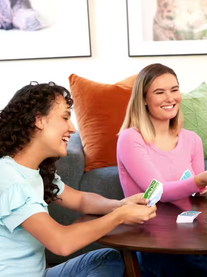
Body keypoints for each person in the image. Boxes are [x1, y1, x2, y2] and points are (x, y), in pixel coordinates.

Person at [0, 82, 157, 277]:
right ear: (38, 120)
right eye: (65, 117)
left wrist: (120, 204)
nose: (72, 128)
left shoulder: (37, 171)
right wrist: (121, 216)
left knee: (107, 259)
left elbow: (81, 200)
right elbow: (61, 243)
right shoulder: (8, 178)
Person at [117, 63, 207, 277]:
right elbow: (159, 191)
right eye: (159, 92)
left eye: (174, 90)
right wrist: (199, 181)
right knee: (204, 267)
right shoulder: (131, 138)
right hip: (154, 238)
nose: (170, 98)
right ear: (143, 99)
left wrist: (200, 189)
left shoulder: (192, 139)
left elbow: (193, 193)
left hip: (191, 232)